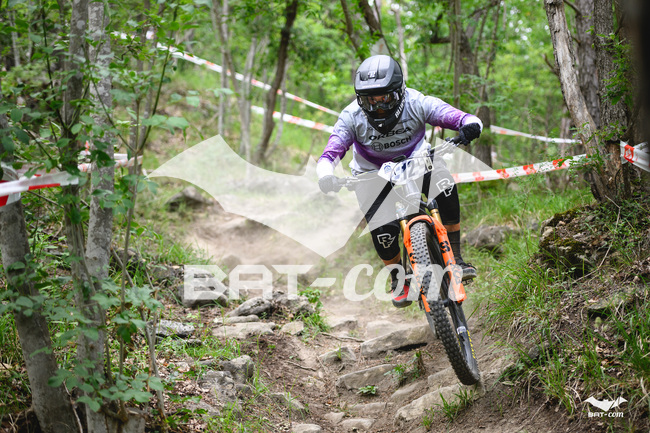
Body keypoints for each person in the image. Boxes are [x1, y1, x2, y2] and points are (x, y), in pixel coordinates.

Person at [317, 55, 481, 308]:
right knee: (382, 230)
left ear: (399, 91)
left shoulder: (417, 102)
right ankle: (398, 278)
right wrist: (326, 174)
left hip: (417, 160)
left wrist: (469, 125)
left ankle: (456, 258)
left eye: (384, 98)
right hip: (371, 173)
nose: (378, 106)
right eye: (370, 100)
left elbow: (457, 116)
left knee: (445, 186)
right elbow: (330, 153)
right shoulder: (351, 116)